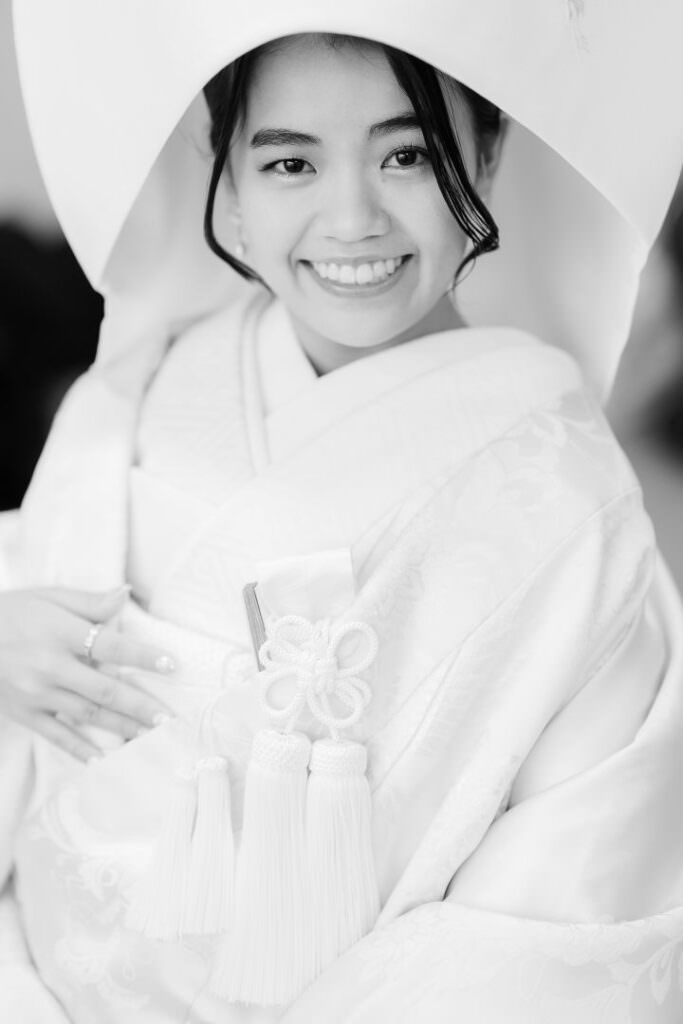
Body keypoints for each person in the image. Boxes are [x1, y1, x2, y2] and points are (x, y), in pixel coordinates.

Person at [2, 4, 683, 1022]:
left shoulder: (574, 512)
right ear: (228, 186)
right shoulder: (141, 392)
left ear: (486, 155)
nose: (353, 218)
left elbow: (557, 921)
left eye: (406, 155)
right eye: (290, 163)